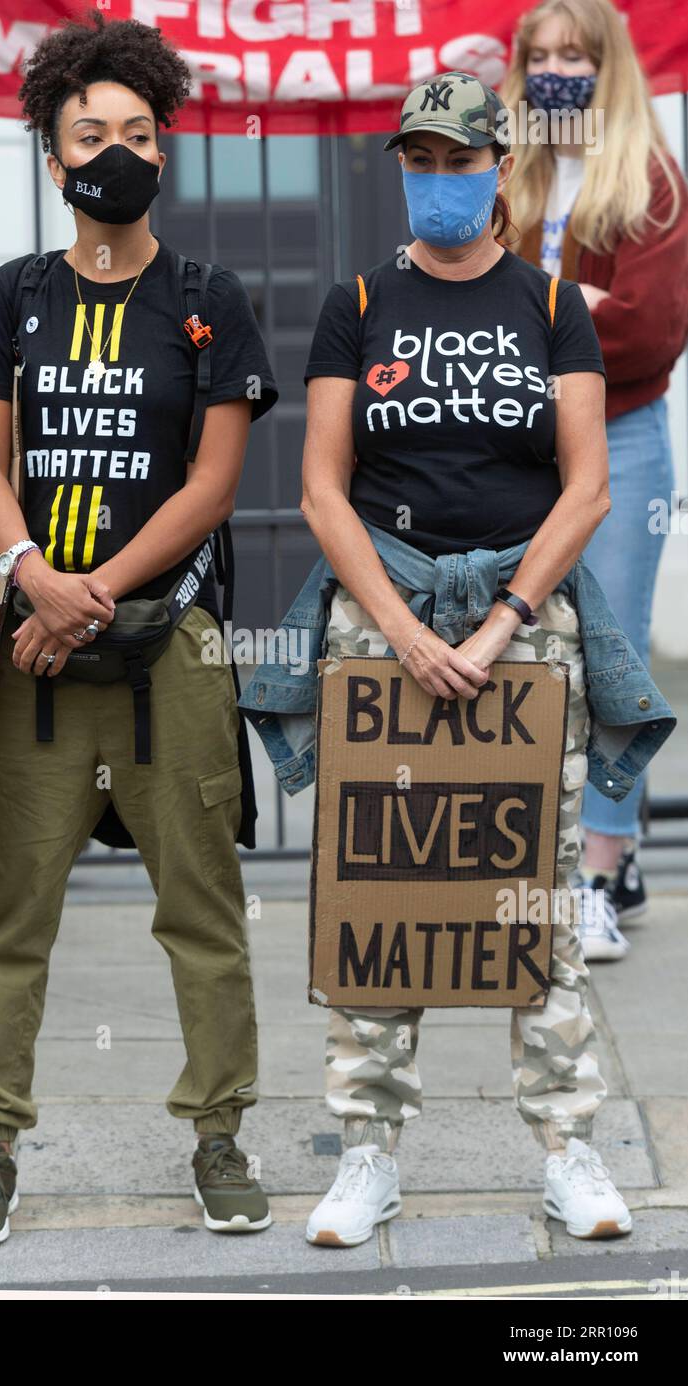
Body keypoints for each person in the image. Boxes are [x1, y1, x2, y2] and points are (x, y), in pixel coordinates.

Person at [262, 71, 668, 1249]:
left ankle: (567, 1146)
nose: (437, 181)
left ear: (499, 171)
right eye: (419, 161)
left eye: (458, 161)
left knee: (530, 890)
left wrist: (497, 621)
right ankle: (367, 1154)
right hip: (381, 621)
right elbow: (320, 488)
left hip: (519, 628)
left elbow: (587, 484)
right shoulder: (356, 302)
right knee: (375, 886)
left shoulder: (550, 304)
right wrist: (397, 623)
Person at [0, 13, 278, 1246]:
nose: (117, 153)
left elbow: (210, 484)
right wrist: (35, 572)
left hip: (164, 655)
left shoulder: (206, 297)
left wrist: (84, 600)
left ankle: (219, 1130)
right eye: (92, 133)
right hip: (35, 660)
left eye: (140, 132)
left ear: (166, 151)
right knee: (8, 921)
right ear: (52, 152)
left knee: (205, 908)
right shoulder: (13, 295)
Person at [502, 0, 688, 956]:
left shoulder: (648, 174)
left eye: (575, 53)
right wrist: (572, 304)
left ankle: (596, 871)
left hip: (621, 434)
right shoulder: (509, 166)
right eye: (541, 55)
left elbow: (652, 328)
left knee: (608, 650)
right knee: (536, 648)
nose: (557, 69)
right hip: (522, 444)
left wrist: (548, 317)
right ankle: (590, 855)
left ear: (606, 62)